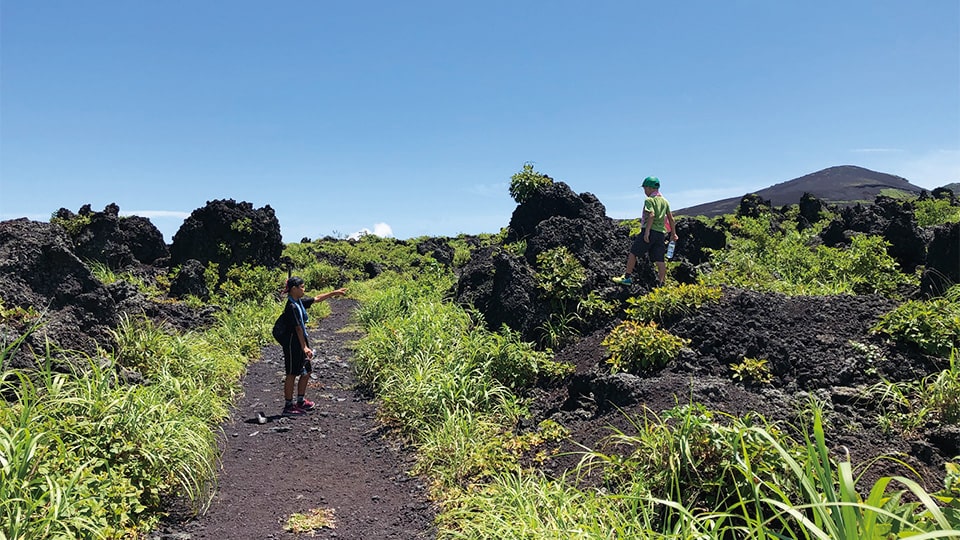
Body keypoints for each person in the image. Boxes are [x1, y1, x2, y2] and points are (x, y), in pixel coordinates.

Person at [277, 276, 348, 417]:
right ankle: (288, 406)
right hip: (293, 343)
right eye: (302, 287)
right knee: (291, 372)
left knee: (307, 370)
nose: (304, 289)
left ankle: (300, 401)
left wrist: (334, 293)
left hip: (302, 340)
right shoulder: (291, 306)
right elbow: (297, 328)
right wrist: (304, 347)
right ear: (294, 289)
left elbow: (316, 298)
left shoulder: (299, 302)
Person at [613, 176, 679, 287]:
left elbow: (651, 215)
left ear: (649, 188)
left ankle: (627, 278)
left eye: (645, 188)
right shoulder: (665, 201)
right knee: (660, 260)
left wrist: (647, 231)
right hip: (660, 234)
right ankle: (662, 284)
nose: (644, 191)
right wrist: (673, 233)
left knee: (633, 253)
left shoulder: (649, 200)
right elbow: (671, 219)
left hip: (649, 231)